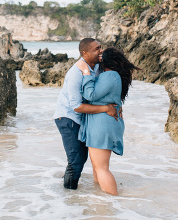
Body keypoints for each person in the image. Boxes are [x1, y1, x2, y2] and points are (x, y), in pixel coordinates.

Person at [53, 38, 119, 190]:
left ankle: (75, 190)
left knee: (83, 158)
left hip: (83, 119)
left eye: (100, 47)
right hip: (68, 118)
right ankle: (69, 196)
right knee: (76, 160)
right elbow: (76, 106)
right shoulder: (76, 72)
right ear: (85, 53)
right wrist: (105, 109)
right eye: (97, 48)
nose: (100, 50)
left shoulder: (96, 67)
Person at [76, 47, 139, 195]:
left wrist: (85, 73)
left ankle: (113, 201)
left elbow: (90, 94)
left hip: (102, 124)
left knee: (101, 168)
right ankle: (102, 201)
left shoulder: (110, 75)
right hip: (103, 123)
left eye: (101, 58)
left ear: (106, 61)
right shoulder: (113, 76)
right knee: (98, 166)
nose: (99, 59)